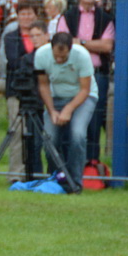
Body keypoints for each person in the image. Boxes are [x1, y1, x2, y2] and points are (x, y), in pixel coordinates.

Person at [60, 0, 114, 166]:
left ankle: (92, 164)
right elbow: (63, 45)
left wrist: (80, 42)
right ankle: (68, 163)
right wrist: (92, 45)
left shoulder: (106, 18)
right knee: (69, 116)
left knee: (95, 120)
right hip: (72, 74)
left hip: (97, 75)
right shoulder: (67, 16)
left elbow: (107, 46)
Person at [34, 31, 96, 192]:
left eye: (64, 56)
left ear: (71, 49)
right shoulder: (41, 55)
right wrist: (52, 110)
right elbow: (43, 85)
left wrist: (68, 109)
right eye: (56, 56)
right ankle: (57, 177)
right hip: (55, 98)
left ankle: (74, 182)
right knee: (49, 139)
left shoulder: (82, 55)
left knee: (77, 135)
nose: (59, 60)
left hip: (83, 97)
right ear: (51, 48)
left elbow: (85, 89)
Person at [0, 1, 49, 181]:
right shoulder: (11, 36)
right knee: (17, 133)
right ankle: (16, 174)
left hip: (40, 92)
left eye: (30, 13)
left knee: (38, 135)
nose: (26, 17)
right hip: (17, 91)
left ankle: (36, 173)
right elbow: (14, 61)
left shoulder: (42, 36)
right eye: (23, 14)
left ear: (36, 15)